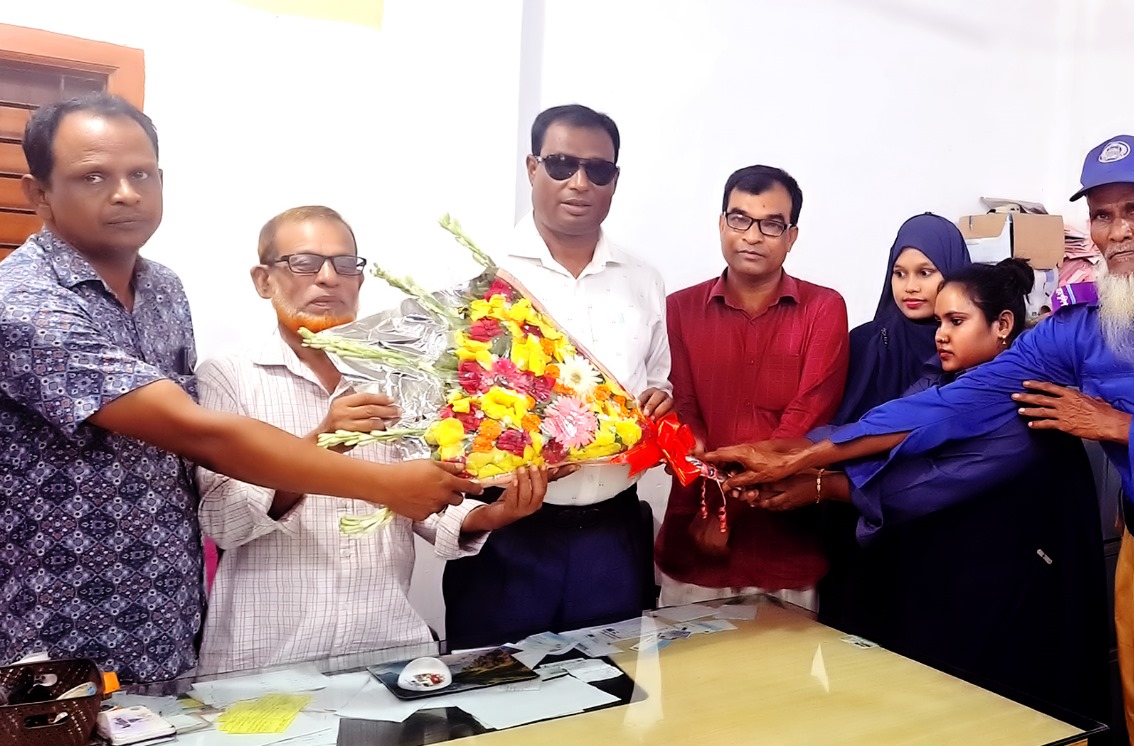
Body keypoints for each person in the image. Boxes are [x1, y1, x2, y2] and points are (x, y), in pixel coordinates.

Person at [710, 135, 1134, 745]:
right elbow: (953, 402)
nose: (1118, 232)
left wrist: (1120, 427)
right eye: (1102, 215)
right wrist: (808, 451)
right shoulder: (1080, 324)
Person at [0, 94, 478, 683]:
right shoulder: (21, 301)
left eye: (141, 174)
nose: (125, 193)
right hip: (61, 615)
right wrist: (383, 482)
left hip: (170, 611)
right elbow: (201, 435)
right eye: (93, 176)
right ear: (39, 193)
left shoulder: (162, 290)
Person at [196, 206, 565, 674]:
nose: (328, 278)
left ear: (359, 279)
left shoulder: (405, 375)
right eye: (304, 263)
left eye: (344, 264)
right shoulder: (229, 376)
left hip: (386, 647)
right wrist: (320, 445)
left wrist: (496, 513)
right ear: (263, 280)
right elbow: (222, 522)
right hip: (267, 657)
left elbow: (425, 503)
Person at [740, 258, 1109, 720]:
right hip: (947, 586)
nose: (941, 334)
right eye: (939, 322)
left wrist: (816, 484)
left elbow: (926, 483)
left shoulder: (1024, 408)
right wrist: (778, 453)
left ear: (1002, 325)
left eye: (956, 321)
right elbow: (877, 431)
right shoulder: (938, 379)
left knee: (994, 713)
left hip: (1008, 595)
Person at [442, 104, 673, 648]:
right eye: (562, 164)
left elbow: (659, 380)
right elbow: (446, 403)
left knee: (609, 687)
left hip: (613, 534)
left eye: (599, 170)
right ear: (532, 168)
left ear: (615, 179)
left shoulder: (643, 279)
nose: (580, 183)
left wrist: (659, 401)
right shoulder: (483, 273)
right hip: (508, 531)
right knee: (495, 690)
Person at [653, 165, 848, 611]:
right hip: (694, 537)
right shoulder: (678, 309)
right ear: (722, 223)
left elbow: (806, 420)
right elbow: (684, 412)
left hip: (784, 543)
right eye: (740, 219)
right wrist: (714, 510)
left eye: (771, 224)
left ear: (791, 236)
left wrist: (727, 512)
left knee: (784, 659)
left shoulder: (823, 309)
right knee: (686, 659)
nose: (753, 236)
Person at [820, 213, 970, 631]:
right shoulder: (865, 340)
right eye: (899, 273)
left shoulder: (970, 347)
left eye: (925, 272)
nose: (910, 287)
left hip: (940, 522)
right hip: (863, 517)